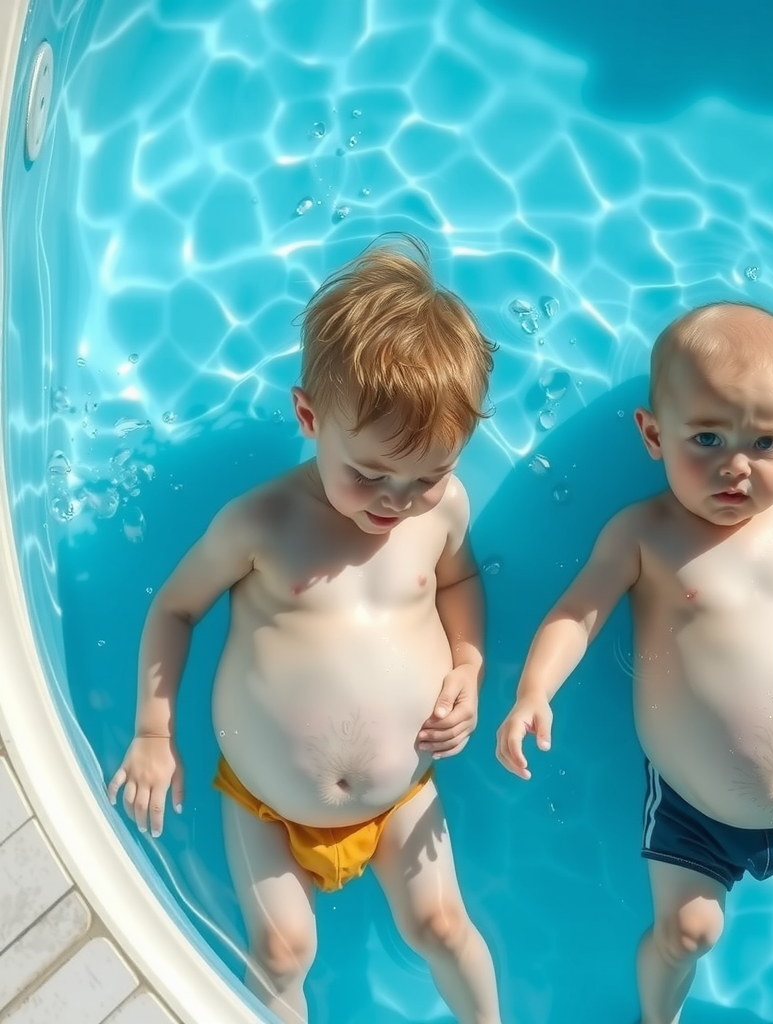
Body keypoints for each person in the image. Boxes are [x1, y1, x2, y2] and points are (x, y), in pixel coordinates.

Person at [496, 301, 773, 1024]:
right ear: (653, 435)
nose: (734, 466)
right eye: (706, 437)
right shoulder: (643, 534)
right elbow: (576, 613)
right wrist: (534, 691)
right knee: (687, 933)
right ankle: (659, 1018)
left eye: (765, 443)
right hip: (693, 806)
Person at [108, 236, 503, 1024]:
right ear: (309, 416)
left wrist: (469, 663)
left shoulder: (442, 515)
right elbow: (175, 608)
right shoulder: (262, 522)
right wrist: (154, 731)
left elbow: (459, 582)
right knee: (283, 949)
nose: (397, 499)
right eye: (369, 474)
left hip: (401, 797)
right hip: (264, 800)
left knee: (442, 924)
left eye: (428, 476)